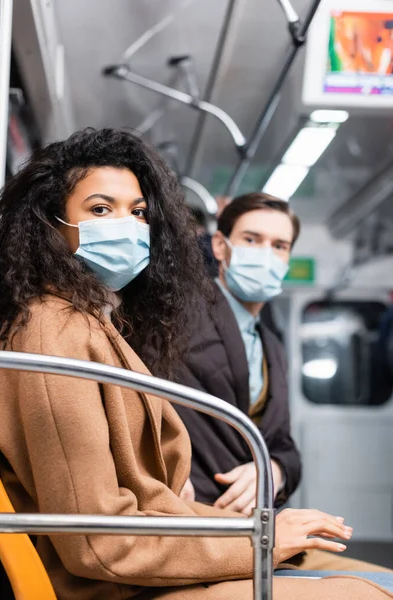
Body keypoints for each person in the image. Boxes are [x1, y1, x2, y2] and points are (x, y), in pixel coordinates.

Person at [0, 129, 391, 600]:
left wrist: (265, 525)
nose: (127, 225)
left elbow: (145, 501)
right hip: (110, 586)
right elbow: (97, 542)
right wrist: (263, 539)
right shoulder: (51, 330)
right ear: (50, 223)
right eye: (100, 210)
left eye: (138, 212)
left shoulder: (90, 323)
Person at [146, 192, 391, 574]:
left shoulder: (272, 346)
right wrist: (162, 468)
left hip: (255, 529)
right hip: (201, 526)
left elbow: (285, 446)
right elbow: (140, 393)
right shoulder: (179, 312)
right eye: (251, 240)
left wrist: (272, 470)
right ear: (220, 247)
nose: (264, 253)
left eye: (279, 245)